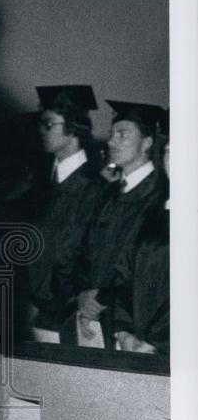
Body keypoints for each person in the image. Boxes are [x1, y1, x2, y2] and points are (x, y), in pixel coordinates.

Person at [70, 100, 167, 348]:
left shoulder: (159, 199)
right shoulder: (106, 193)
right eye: (112, 134)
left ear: (147, 142)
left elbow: (145, 267)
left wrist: (104, 297)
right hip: (92, 317)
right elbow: (82, 249)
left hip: (133, 323)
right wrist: (82, 292)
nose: (112, 142)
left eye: (123, 135)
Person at [23, 86, 107, 341]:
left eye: (49, 124)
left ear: (74, 128)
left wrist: (46, 302)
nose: (41, 130)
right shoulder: (40, 184)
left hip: (67, 314)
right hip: (32, 310)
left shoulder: (94, 187)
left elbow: (82, 256)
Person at [112, 134, 170, 357]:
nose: (173, 158)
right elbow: (124, 273)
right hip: (134, 342)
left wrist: (156, 342)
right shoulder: (153, 213)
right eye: (168, 149)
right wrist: (124, 331)